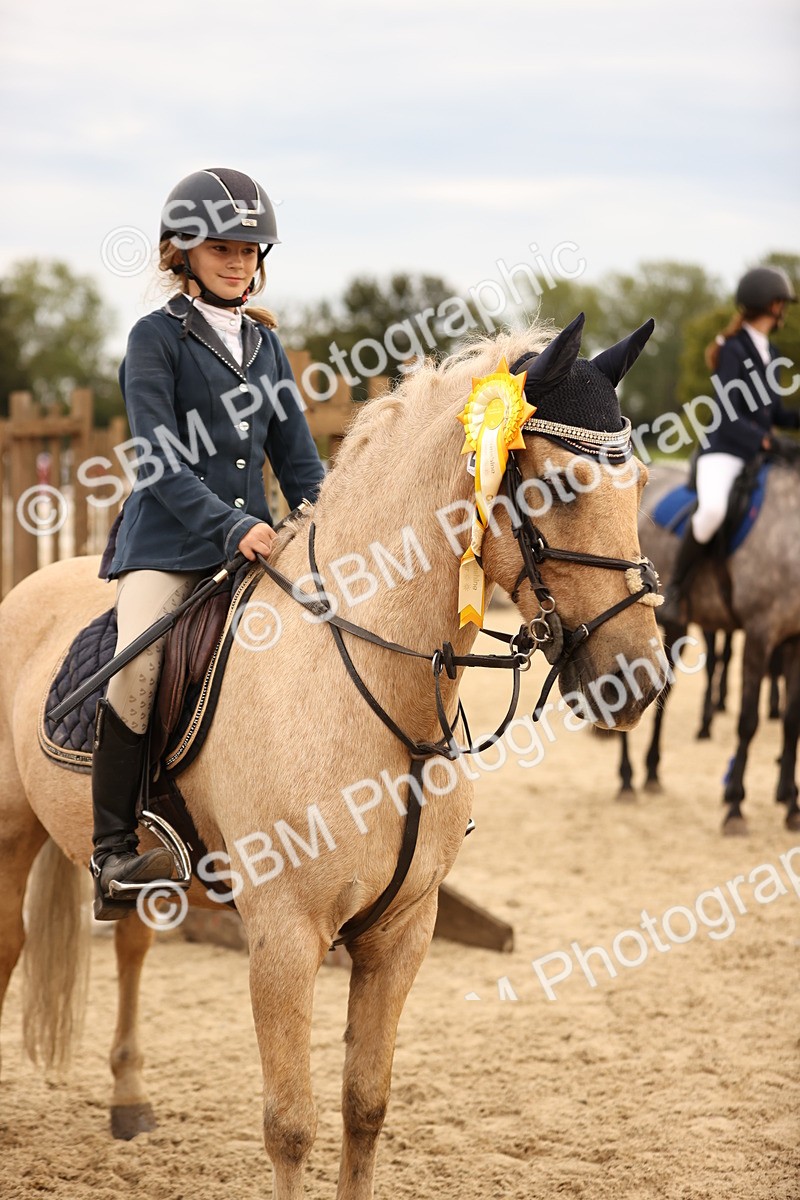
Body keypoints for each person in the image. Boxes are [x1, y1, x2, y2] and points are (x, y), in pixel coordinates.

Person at [90, 167, 325, 918]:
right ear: (181, 253)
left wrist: (323, 522)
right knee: (136, 671)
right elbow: (157, 456)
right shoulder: (154, 338)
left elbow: (297, 460)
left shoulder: (264, 347)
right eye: (222, 247)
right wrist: (230, 525)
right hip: (169, 544)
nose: (240, 261)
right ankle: (114, 850)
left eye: (251, 249)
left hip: (253, 544)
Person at [660, 265, 799, 622]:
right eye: (781, 303)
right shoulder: (732, 349)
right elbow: (727, 412)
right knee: (712, 512)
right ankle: (675, 587)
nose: (784, 309)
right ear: (769, 305)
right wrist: (767, 442)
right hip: (723, 451)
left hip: (756, 454)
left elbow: (776, 412)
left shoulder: (771, 349)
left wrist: (787, 427)